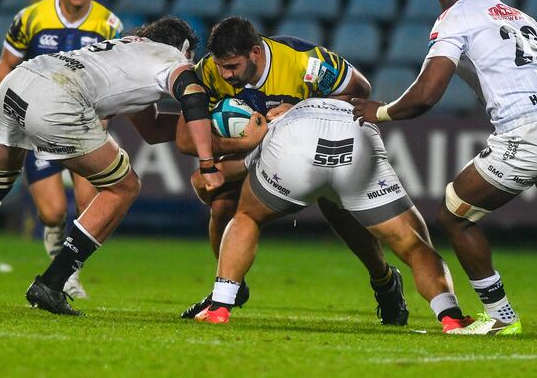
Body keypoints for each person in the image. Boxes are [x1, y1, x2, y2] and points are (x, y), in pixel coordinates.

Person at [0, 17, 251, 315]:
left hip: (20, 82)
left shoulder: (126, 49)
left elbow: (151, 129)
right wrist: (208, 159)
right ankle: (52, 282)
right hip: (58, 98)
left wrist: (205, 131)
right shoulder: (170, 59)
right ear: (184, 48)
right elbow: (192, 99)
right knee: (124, 186)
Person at [352, 0, 537, 335]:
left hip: (528, 132)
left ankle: (501, 318)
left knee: (454, 216)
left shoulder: (455, 17)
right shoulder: (518, 15)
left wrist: (380, 113)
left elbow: (425, 95)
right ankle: (502, 317)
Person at [176, 17, 410, 326]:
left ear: (255, 53)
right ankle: (230, 289)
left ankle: (384, 281)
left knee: (339, 212)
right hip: (259, 147)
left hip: (311, 145)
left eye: (232, 66)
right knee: (220, 201)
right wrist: (240, 141)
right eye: (221, 66)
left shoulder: (306, 62)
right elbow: (183, 138)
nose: (225, 74)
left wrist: (304, 107)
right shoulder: (208, 72)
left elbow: (360, 92)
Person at [192, 98, 473, 332]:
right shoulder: (313, 101)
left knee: (247, 217)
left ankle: (219, 306)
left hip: (294, 151)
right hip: (357, 139)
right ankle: (451, 316)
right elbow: (360, 91)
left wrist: (205, 174)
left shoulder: (271, 125)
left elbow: (228, 172)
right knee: (414, 245)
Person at [0, 0, 122, 298]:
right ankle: (54, 242)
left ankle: (68, 274)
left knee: (89, 204)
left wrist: (106, 117)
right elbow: (7, 65)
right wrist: (7, 108)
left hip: (84, 127)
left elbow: (114, 78)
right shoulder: (31, 18)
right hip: (40, 128)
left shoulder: (109, 25)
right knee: (51, 213)